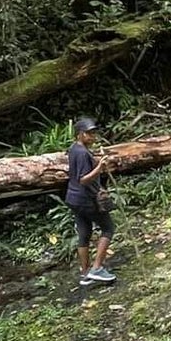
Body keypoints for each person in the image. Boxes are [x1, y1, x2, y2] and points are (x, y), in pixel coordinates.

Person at [66, 116, 115, 286]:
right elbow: (83, 179)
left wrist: (96, 162)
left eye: (94, 134)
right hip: (85, 198)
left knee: (84, 233)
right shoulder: (81, 152)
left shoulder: (75, 149)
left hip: (73, 198)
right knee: (108, 228)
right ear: (80, 134)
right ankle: (97, 268)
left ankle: (85, 273)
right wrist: (100, 168)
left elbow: (83, 167)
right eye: (89, 134)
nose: (93, 137)